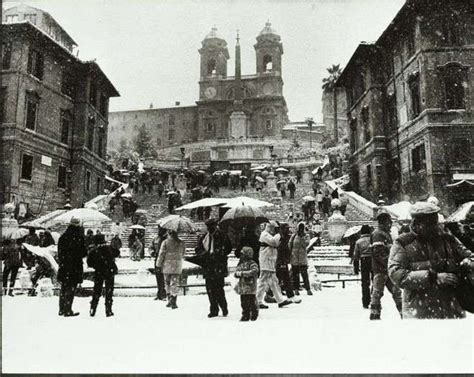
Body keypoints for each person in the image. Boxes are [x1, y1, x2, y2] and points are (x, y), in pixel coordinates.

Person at [389, 202, 473, 319]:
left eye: (435, 222)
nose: (435, 227)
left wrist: (467, 263)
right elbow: (396, 274)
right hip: (420, 312)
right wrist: (433, 278)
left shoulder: (448, 239)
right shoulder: (403, 243)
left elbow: (469, 256)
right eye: (429, 224)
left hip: (451, 310)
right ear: (417, 224)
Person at [195, 218, 232, 318]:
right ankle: (214, 309)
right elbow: (198, 249)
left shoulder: (222, 236)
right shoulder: (204, 237)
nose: (210, 228)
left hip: (218, 265)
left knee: (219, 289)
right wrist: (204, 254)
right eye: (208, 227)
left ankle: (223, 307)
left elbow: (228, 248)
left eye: (211, 226)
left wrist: (219, 253)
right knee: (210, 290)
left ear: (215, 226)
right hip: (208, 265)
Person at [369, 211, 402, 320]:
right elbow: (378, 253)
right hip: (381, 269)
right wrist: (388, 263)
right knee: (378, 292)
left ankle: (404, 313)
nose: (391, 223)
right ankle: (375, 315)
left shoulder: (385, 233)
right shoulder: (378, 234)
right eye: (389, 221)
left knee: (395, 292)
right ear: (383, 222)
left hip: (386, 269)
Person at [256, 221, 292, 309]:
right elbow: (273, 242)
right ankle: (257, 300)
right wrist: (279, 234)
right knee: (263, 281)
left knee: (273, 281)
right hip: (266, 261)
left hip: (270, 261)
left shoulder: (269, 235)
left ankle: (280, 300)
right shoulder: (264, 235)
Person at [57, 217, 87, 317]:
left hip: (64, 265)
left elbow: (60, 252)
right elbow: (83, 253)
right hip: (74, 266)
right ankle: (67, 309)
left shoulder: (63, 236)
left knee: (64, 287)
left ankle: (61, 309)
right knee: (71, 287)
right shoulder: (79, 237)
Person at [88, 234, 120, 317]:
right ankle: (108, 310)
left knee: (97, 291)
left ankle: (93, 308)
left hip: (99, 272)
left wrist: (97, 264)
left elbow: (89, 263)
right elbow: (117, 252)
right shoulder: (109, 249)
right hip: (109, 271)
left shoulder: (93, 251)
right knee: (109, 291)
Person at [156, 230, 185, 309]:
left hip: (167, 265)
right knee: (175, 283)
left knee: (167, 283)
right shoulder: (181, 243)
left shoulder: (165, 242)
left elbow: (161, 254)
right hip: (177, 266)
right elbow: (183, 253)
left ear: (169, 233)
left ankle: (169, 299)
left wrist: (158, 264)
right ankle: (174, 299)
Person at [276, 223, 301, 303]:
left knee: (278, 278)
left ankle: (270, 294)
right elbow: (281, 250)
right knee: (284, 278)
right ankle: (290, 295)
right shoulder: (280, 238)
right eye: (286, 229)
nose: (288, 230)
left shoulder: (284, 238)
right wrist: (283, 260)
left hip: (282, 260)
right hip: (281, 261)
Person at [234, 246, 260, 321]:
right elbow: (236, 272)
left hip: (250, 286)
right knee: (243, 303)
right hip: (242, 287)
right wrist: (237, 274)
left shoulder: (252, 263)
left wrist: (243, 273)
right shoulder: (241, 264)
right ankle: (245, 314)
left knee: (251, 301)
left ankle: (254, 312)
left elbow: (254, 271)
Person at [289, 222, 312, 296]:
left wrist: (302, 237)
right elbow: (290, 245)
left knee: (304, 274)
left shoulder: (306, 236)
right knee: (295, 275)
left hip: (302, 258)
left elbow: (306, 244)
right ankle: (296, 289)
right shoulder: (294, 236)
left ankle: (308, 289)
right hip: (294, 257)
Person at [352, 225, 372, 308]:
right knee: (376, 281)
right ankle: (374, 299)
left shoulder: (358, 242)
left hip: (364, 261)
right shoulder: (373, 240)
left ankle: (365, 301)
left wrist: (356, 267)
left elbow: (356, 256)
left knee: (365, 282)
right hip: (374, 260)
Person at [150, 226, 167, 301]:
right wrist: (152, 252)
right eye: (159, 229)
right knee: (158, 277)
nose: (160, 231)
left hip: (165, 260)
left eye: (161, 229)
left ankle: (164, 294)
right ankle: (159, 293)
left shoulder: (167, 239)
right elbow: (150, 247)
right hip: (157, 259)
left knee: (164, 278)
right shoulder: (155, 239)